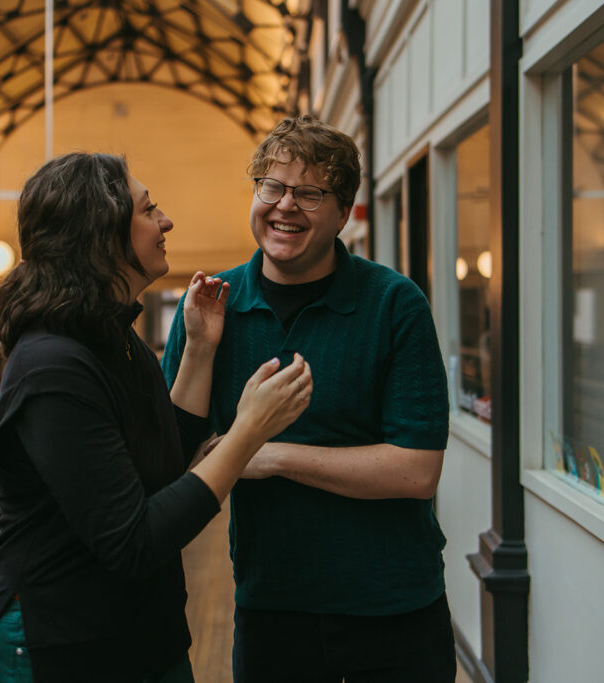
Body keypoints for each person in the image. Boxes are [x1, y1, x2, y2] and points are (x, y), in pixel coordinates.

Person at [0, 152, 313, 682]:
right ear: (101, 235)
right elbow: (134, 541)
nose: (166, 221)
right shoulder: (52, 365)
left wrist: (198, 349)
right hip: (61, 649)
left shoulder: (114, 338)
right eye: (149, 210)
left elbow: (165, 463)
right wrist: (249, 432)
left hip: (136, 635)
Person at [162, 116, 455, 682]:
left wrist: (266, 455)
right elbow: (178, 456)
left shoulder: (394, 305)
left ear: (344, 213)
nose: (285, 205)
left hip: (393, 605)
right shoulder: (210, 307)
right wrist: (201, 350)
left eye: (310, 192)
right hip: (273, 604)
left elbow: (416, 472)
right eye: (272, 186)